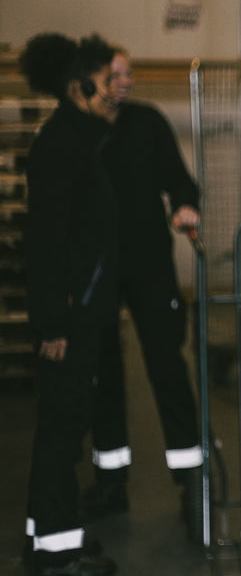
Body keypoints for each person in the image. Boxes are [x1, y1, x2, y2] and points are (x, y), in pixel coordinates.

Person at [82, 47, 203, 524]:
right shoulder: (80, 131)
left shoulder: (147, 123)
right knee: (104, 372)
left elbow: (179, 179)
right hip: (98, 268)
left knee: (167, 365)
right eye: (115, 75)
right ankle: (111, 480)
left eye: (129, 74)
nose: (125, 82)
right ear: (92, 81)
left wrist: (185, 204)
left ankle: (191, 476)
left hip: (150, 263)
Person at [19, 33, 120, 576]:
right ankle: (58, 555)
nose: (114, 92)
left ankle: (46, 536)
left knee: (60, 427)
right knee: (63, 430)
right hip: (68, 317)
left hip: (81, 311)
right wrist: (53, 324)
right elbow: (47, 242)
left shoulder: (78, 140)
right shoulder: (62, 146)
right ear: (78, 87)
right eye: (106, 83)